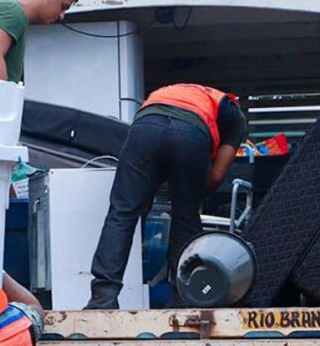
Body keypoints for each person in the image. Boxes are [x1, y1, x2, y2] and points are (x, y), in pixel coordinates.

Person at [84, 83, 248, 309]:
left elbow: (158, 146)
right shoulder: (235, 117)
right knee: (186, 217)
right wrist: (187, 191)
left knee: (122, 213)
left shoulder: (174, 90)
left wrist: (152, 188)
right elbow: (217, 174)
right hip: (191, 135)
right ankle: (183, 298)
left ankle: (103, 297)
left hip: (146, 127)